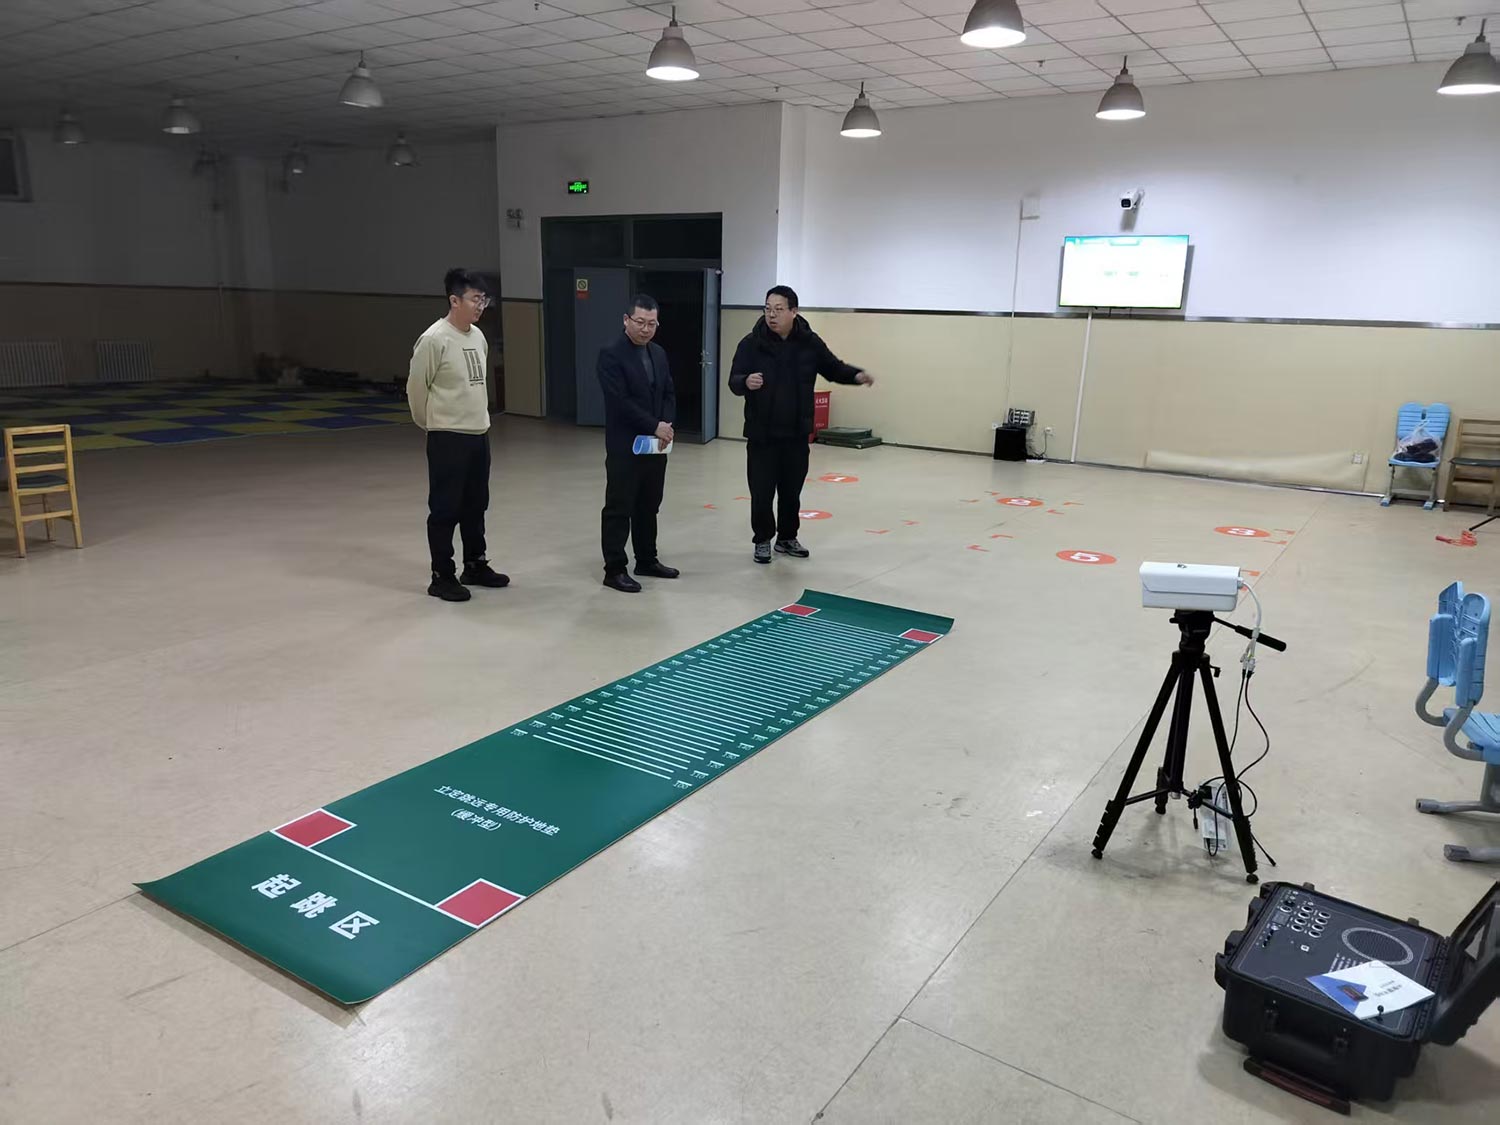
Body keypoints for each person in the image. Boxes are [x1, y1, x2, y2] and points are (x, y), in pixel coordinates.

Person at [728, 285, 874, 564]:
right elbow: (734, 380)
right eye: (767, 309)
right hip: (762, 434)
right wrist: (745, 382)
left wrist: (856, 376)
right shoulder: (751, 343)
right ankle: (762, 540)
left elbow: (833, 368)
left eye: (778, 309)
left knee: (791, 492)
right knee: (761, 492)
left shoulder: (809, 343)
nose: (771, 315)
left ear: (793, 311)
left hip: (796, 433)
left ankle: (787, 538)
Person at [407, 268, 509, 602]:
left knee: (476, 504)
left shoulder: (477, 336)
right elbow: (416, 389)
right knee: (445, 507)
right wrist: (433, 424)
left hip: (478, 433)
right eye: (475, 299)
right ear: (454, 300)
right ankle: (442, 575)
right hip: (447, 436)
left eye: (484, 300)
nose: (481, 306)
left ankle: (475, 564)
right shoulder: (434, 339)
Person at [596, 294, 679, 593]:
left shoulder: (658, 353)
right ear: (626, 320)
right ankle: (615, 569)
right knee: (620, 506)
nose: (646, 329)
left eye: (652, 323)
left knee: (649, 504)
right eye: (640, 322)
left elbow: (668, 392)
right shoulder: (611, 354)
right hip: (626, 445)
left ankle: (647, 559)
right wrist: (654, 425)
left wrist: (666, 424)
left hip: (655, 445)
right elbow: (619, 402)